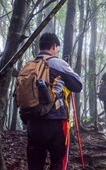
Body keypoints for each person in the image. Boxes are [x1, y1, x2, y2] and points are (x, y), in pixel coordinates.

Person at [26, 33, 83, 170]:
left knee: (35, 165)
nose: (57, 51)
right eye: (57, 48)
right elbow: (78, 86)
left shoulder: (29, 65)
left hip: (32, 122)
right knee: (58, 163)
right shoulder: (58, 63)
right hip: (55, 122)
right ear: (53, 46)